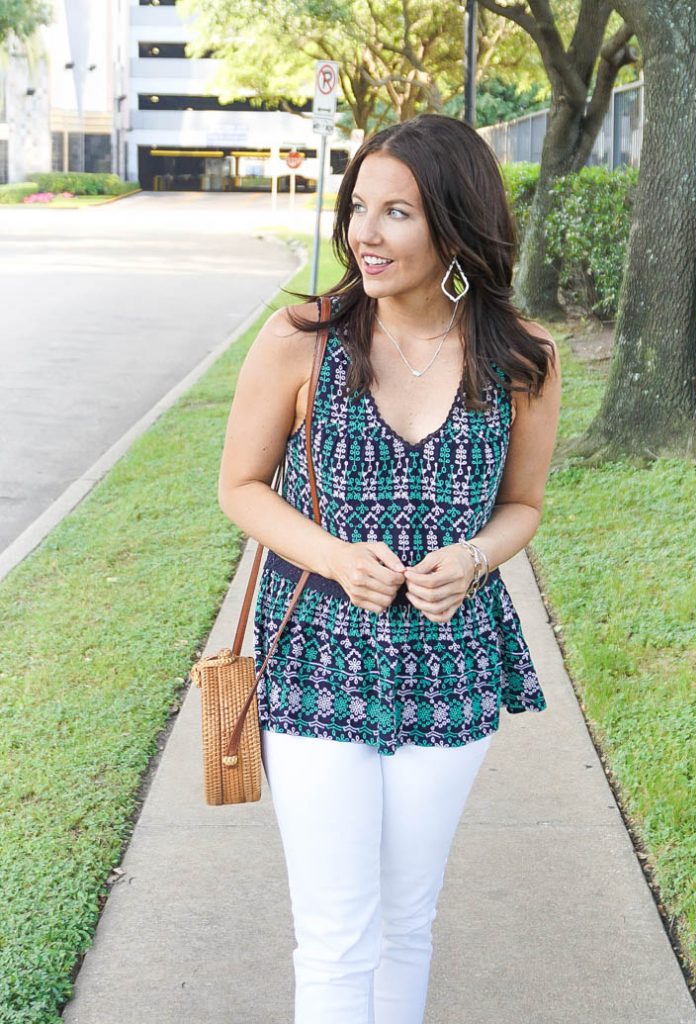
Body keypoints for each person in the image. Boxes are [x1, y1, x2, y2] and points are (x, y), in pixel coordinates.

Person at [217, 112, 561, 1024]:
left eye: (397, 212)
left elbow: (522, 506)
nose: (365, 233)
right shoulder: (303, 339)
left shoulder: (521, 357)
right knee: (336, 936)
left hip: (451, 666)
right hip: (319, 657)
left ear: (455, 223)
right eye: (358, 207)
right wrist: (332, 555)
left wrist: (475, 557)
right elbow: (241, 487)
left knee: (407, 921)